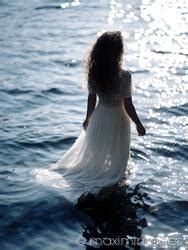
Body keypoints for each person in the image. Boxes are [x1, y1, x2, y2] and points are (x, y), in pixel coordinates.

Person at [33, 31, 146, 199]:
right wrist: (138, 123)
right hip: (118, 118)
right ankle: (114, 182)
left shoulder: (94, 73)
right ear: (118, 52)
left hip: (100, 116)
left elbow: (91, 98)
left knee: (97, 149)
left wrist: (88, 118)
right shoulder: (124, 75)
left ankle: (98, 174)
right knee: (116, 150)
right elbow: (128, 105)